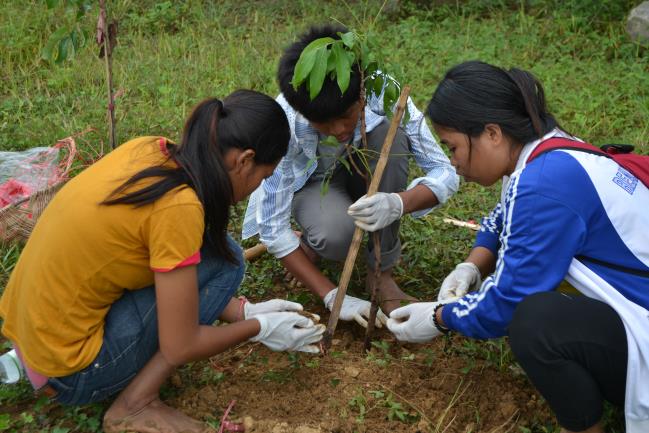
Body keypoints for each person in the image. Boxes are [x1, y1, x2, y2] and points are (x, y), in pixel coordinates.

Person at [0, 90, 325, 433]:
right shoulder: (179, 208)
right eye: (263, 176)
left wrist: (243, 311)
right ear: (243, 160)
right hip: (71, 371)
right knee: (228, 264)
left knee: (220, 253)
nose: (255, 187)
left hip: (32, 337)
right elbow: (181, 344)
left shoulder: (152, 149)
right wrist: (260, 328)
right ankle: (134, 405)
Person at [386, 61, 649, 433]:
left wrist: (439, 318)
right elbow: (502, 215)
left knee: (534, 322)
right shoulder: (552, 151)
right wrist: (473, 266)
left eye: (455, 147)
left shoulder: (544, 185)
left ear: (492, 133)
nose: (454, 162)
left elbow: (507, 302)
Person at [242, 24, 459, 326]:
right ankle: (313, 241)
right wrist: (332, 295)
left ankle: (380, 274)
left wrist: (398, 203)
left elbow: (444, 169)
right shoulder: (286, 121)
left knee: (390, 135)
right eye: (323, 124)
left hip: (368, 176)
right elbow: (272, 227)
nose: (340, 131)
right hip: (315, 185)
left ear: (362, 92)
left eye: (346, 116)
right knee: (335, 236)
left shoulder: (380, 88)